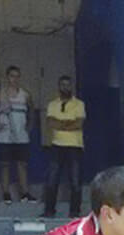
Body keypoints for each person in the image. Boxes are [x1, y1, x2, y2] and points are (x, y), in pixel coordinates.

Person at [0, 65, 36, 204]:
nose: (14, 79)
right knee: (5, 165)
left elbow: (32, 110)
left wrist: (29, 125)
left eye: (17, 76)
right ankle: (6, 193)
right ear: (7, 77)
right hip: (5, 135)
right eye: (12, 76)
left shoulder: (25, 94)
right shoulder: (0, 93)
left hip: (21, 135)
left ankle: (25, 193)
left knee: (22, 164)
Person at [42, 75, 85, 218]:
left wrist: (60, 124)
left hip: (75, 146)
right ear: (58, 87)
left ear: (71, 86)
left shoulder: (79, 104)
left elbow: (79, 124)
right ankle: (49, 211)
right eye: (62, 85)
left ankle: (74, 212)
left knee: (75, 181)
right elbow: (50, 123)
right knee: (52, 180)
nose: (65, 87)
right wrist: (69, 123)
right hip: (56, 146)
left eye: (67, 85)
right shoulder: (52, 104)